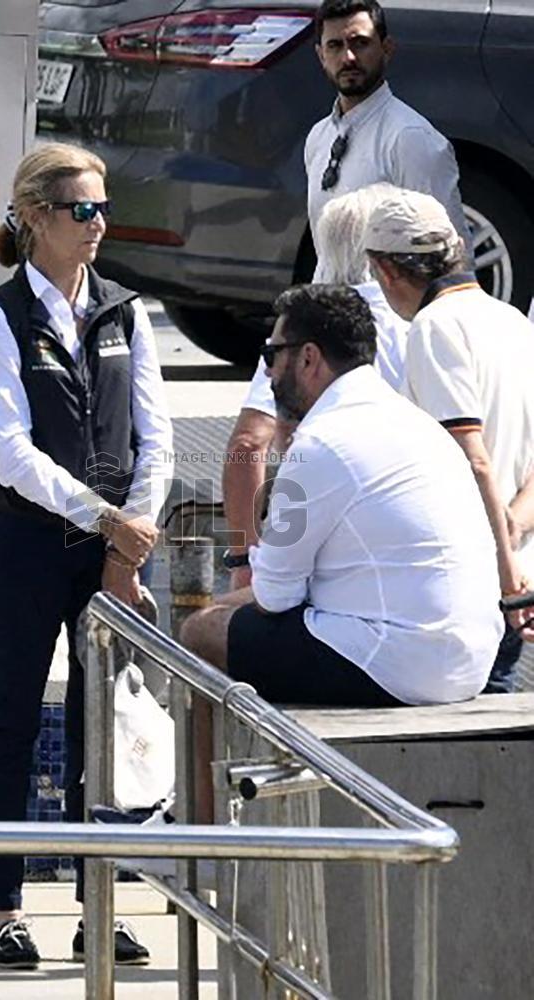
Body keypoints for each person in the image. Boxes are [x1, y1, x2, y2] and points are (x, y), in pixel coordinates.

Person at [0, 143, 173, 968]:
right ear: (35, 219)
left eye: (102, 207)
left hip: (113, 553)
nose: (98, 224)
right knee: (11, 720)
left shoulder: (125, 309)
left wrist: (135, 534)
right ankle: (0, 910)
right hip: (26, 545)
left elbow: (155, 437)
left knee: (109, 730)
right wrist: (105, 519)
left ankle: (104, 904)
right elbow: (12, 452)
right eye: (80, 210)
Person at [183, 285, 503, 814]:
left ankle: (196, 828)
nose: (266, 373)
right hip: (470, 660)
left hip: (400, 663)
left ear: (308, 357)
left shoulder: (322, 443)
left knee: (199, 636)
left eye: (271, 355)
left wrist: (216, 607)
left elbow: (275, 597)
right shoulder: (415, 423)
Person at [364, 187, 534, 690]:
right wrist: (518, 528)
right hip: (520, 562)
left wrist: (506, 580)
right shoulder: (511, 319)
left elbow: (472, 458)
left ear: (387, 270)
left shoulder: (434, 327)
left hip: (477, 580)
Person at [223, 183, 408, 589]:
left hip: (317, 548)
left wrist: (245, 558)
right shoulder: (425, 324)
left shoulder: (302, 325)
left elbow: (248, 446)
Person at [306, 0, 469, 278]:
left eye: (360, 43)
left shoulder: (411, 138)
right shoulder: (318, 137)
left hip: (387, 316)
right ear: (321, 55)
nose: (348, 58)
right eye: (335, 46)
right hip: (331, 309)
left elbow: (448, 254)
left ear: (387, 48)